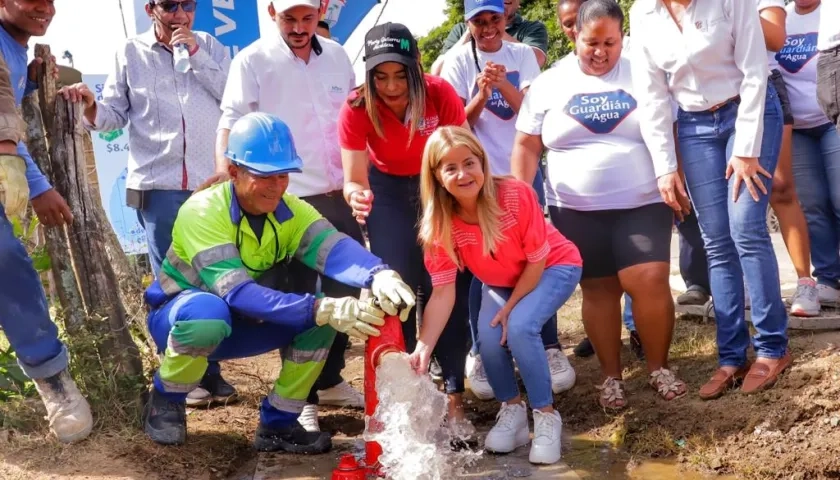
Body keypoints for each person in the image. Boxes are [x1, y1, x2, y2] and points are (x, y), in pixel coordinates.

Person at [141, 112, 415, 450]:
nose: (276, 186)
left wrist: (378, 273)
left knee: (322, 322)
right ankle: (166, 400)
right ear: (234, 172)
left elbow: (335, 249)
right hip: (182, 319)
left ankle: (278, 426)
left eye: (283, 175)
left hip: (240, 323)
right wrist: (321, 307)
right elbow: (237, 293)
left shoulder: (289, 210)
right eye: (264, 176)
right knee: (210, 313)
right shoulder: (203, 211)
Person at [59, 0, 237, 407]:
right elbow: (113, 115)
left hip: (210, 184)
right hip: (158, 186)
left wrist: (195, 53)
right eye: (170, 5)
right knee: (175, 281)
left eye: (188, 5)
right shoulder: (130, 52)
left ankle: (212, 370)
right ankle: (183, 376)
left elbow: (232, 98)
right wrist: (90, 105)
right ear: (150, 8)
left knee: (215, 275)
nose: (180, 14)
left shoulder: (208, 44)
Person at [513, 0, 686, 409]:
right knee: (599, 289)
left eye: (610, 42)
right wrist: (524, 201)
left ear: (622, 37)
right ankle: (611, 376)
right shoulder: (550, 82)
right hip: (574, 208)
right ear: (574, 35)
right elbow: (525, 145)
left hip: (642, 200)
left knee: (648, 280)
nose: (601, 51)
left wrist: (677, 175)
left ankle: (658, 367)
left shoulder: (644, 73)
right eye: (592, 42)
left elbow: (671, 128)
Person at [214, 0, 365, 433]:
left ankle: (332, 377)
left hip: (338, 192)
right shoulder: (252, 60)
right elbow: (231, 122)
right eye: (289, 19)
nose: (299, 28)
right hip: (286, 198)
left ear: (321, 12)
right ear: (271, 14)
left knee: (345, 289)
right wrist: (229, 183)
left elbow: (353, 119)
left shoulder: (337, 56)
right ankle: (303, 398)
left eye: (307, 18)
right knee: (299, 300)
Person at [631, 0, 791, 399]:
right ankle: (731, 357)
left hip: (749, 111)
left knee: (746, 228)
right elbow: (651, 95)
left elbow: (755, 70)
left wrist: (747, 147)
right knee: (716, 240)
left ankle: (772, 348)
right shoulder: (642, 12)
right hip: (694, 125)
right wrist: (665, 166)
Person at [410, 126, 581, 464]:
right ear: (436, 176)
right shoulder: (439, 223)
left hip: (553, 266)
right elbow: (443, 293)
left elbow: (536, 260)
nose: (463, 173)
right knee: (488, 338)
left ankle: (546, 415)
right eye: (450, 167)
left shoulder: (514, 194)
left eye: (469, 162)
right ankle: (512, 411)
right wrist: (423, 348)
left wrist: (511, 307)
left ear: (483, 162)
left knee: (518, 327)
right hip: (501, 281)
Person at [439, 0, 575, 400]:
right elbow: (457, 127)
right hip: (475, 179)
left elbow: (531, 114)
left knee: (537, 257)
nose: (487, 28)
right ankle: (484, 352)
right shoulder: (456, 61)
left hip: (521, 176)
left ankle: (547, 346)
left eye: (493, 20)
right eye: (478, 22)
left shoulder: (522, 56)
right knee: (486, 265)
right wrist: (481, 92)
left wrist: (502, 84)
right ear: (468, 23)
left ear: (505, 18)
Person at [339, 22, 473, 425]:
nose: (391, 86)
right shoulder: (357, 105)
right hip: (389, 194)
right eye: (380, 76)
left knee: (445, 285)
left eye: (400, 75)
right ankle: (398, 396)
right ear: (368, 74)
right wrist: (356, 197)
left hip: (438, 186)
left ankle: (453, 394)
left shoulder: (439, 93)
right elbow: (353, 179)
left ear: (416, 64)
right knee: (395, 289)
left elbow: (463, 153)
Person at [0, 0, 92, 443]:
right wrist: (36, 184)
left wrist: (35, 83)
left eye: (49, 0)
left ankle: (52, 380)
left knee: (7, 262)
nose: (44, 8)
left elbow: (10, 111)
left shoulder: (16, 49)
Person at [757, 0, 821, 317]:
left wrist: (731, 13)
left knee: (781, 188)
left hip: (765, 84)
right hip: (716, 91)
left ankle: (805, 282)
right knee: (730, 195)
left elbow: (775, 38)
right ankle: (740, 285)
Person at [782, 0, 840, 308]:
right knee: (812, 205)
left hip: (831, 121)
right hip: (797, 130)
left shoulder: (833, 11)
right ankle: (828, 278)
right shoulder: (780, 18)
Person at [432, 0, 548, 75]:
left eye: (495, 17)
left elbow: (536, 60)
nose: (487, 28)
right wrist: (470, 32)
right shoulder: (461, 31)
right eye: (478, 21)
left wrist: (497, 30)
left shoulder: (532, 28)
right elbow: (437, 72)